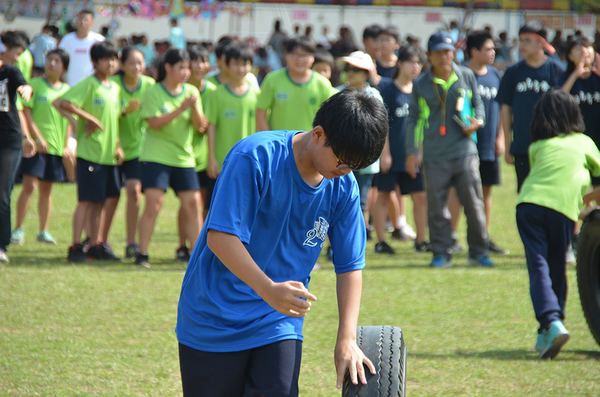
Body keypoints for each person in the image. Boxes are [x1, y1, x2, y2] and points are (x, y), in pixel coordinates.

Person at [176, 88, 388, 396]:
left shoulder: (343, 186)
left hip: (277, 321)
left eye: (353, 166)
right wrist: (268, 290)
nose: (345, 172)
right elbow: (221, 238)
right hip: (213, 318)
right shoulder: (255, 157)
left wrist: (347, 338)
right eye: (342, 161)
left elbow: (350, 265)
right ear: (318, 135)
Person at [516, 89, 600, 359]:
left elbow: (543, 179)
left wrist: (581, 201)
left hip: (529, 205)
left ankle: (550, 326)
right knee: (556, 266)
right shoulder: (585, 142)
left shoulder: (537, 146)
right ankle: (552, 324)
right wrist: (587, 202)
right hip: (562, 210)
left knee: (539, 266)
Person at [405, 31, 493, 268]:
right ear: (429, 55)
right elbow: (413, 119)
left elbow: (478, 104)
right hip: (434, 155)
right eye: (439, 52)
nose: (444, 56)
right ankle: (441, 253)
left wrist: (478, 121)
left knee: (474, 204)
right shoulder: (421, 84)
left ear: (455, 52)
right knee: (437, 208)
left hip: (465, 151)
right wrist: (412, 152)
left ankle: (479, 251)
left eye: (448, 51)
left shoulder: (466, 75)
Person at [136, 49, 204, 268]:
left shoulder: (192, 91)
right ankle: (142, 254)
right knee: (154, 205)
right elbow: (154, 123)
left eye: (187, 68)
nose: (186, 72)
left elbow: (200, 126)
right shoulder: (153, 92)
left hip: (184, 158)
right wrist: (181, 108)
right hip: (157, 157)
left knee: (193, 205)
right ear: (168, 67)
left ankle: (196, 256)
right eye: (181, 67)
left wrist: (192, 108)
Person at [55, 41, 123, 263]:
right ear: (95, 62)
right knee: (85, 201)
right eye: (106, 59)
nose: (111, 63)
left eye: (114, 59)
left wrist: (118, 145)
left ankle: (95, 244)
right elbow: (62, 102)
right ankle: (76, 246)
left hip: (108, 155)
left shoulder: (115, 88)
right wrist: (85, 118)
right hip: (90, 154)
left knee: (100, 202)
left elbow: (114, 121)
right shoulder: (89, 84)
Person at [449, 30, 509, 255]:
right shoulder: (461, 74)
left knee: (486, 192)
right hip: (464, 145)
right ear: (474, 51)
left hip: (488, 146)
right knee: (457, 191)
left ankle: (483, 237)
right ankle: (452, 238)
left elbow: (501, 109)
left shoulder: (494, 75)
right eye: (488, 49)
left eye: (493, 48)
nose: (493, 52)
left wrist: (501, 137)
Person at [12, 49, 71, 246]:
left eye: (57, 61)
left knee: (47, 190)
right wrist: (35, 138)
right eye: (49, 60)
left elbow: (69, 122)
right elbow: (26, 113)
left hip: (55, 148)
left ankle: (43, 231)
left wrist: (65, 146)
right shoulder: (34, 84)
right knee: (29, 185)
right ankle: (18, 229)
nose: (52, 64)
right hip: (35, 147)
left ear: (64, 67)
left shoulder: (66, 90)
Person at [373, 45, 429, 255]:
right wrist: (384, 153)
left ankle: (421, 241)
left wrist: (420, 153)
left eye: (418, 63)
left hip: (413, 156)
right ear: (400, 63)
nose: (415, 67)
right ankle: (380, 242)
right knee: (384, 196)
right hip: (392, 153)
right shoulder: (387, 90)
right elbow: (383, 123)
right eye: (411, 62)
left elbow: (423, 125)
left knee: (420, 197)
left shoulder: (421, 90)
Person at [496, 21, 563, 192]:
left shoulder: (556, 71)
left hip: (550, 146)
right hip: (522, 145)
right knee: (525, 195)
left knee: (548, 194)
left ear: (541, 43)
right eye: (520, 41)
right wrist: (508, 143)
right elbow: (505, 108)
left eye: (527, 40)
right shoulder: (513, 72)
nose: (522, 45)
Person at [110, 47, 155, 259]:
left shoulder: (150, 86)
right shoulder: (113, 85)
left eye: (140, 63)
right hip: (113, 148)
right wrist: (124, 111)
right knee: (109, 197)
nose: (136, 67)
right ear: (122, 65)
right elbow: (106, 115)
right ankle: (100, 241)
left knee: (133, 192)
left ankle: (131, 242)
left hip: (139, 149)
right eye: (131, 63)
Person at [336, 51, 382, 241]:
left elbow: (380, 130)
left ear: (366, 73)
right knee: (337, 201)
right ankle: (334, 245)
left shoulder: (374, 95)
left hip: (365, 160)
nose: (351, 72)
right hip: (339, 159)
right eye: (348, 68)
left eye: (357, 69)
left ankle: (355, 243)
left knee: (361, 203)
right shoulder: (336, 92)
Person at [175, 45, 214, 263]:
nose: (200, 66)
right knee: (189, 203)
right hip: (186, 155)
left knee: (204, 205)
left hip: (207, 156)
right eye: (195, 61)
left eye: (204, 60)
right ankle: (183, 245)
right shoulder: (181, 89)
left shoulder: (214, 90)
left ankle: (199, 247)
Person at [0, 33, 34, 263]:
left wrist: (26, 90)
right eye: (16, 52)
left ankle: (2, 245)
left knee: (2, 193)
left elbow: (25, 86)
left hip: (9, 141)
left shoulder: (10, 71)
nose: (17, 57)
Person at [256, 35, 334, 132]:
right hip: (280, 144)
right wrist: (269, 141)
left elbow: (331, 118)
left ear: (312, 58)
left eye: (305, 55)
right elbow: (260, 114)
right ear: (286, 55)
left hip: (310, 144)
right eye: (295, 54)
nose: (300, 60)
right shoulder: (272, 79)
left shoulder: (322, 83)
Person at [207, 43, 259, 180]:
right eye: (236, 64)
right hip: (223, 159)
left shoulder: (256, 94)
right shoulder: (217, 94)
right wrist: (211, 157)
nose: (240, 68)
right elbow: (211, 127)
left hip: (250, 158)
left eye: (245, 64)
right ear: (226, 65)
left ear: (251, 66)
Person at [58, 9, 105, 86]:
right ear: (76, 21)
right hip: (70, 84)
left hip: (92, 84)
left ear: (92, 23)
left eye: (86, 20)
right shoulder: (67, 39)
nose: (83, 22)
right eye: (80, 19)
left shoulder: (99, 40)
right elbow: (60, 57)